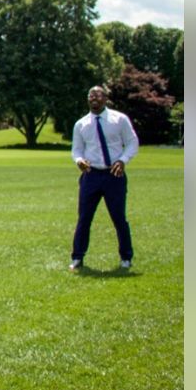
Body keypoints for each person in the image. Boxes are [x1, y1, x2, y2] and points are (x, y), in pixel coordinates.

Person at [69, 85, 139, 271]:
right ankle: (77, 257)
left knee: (118, 218)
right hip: (91, 175)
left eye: (98, 96)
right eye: (91, 96)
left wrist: (123, 160)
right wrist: (79, 161)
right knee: (84, 218)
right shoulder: (81, 124)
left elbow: (132, 143)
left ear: (105, 98)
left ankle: (126, 257)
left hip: (113, 175)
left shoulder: (119, 120)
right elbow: (76, 149)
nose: (94, 99)